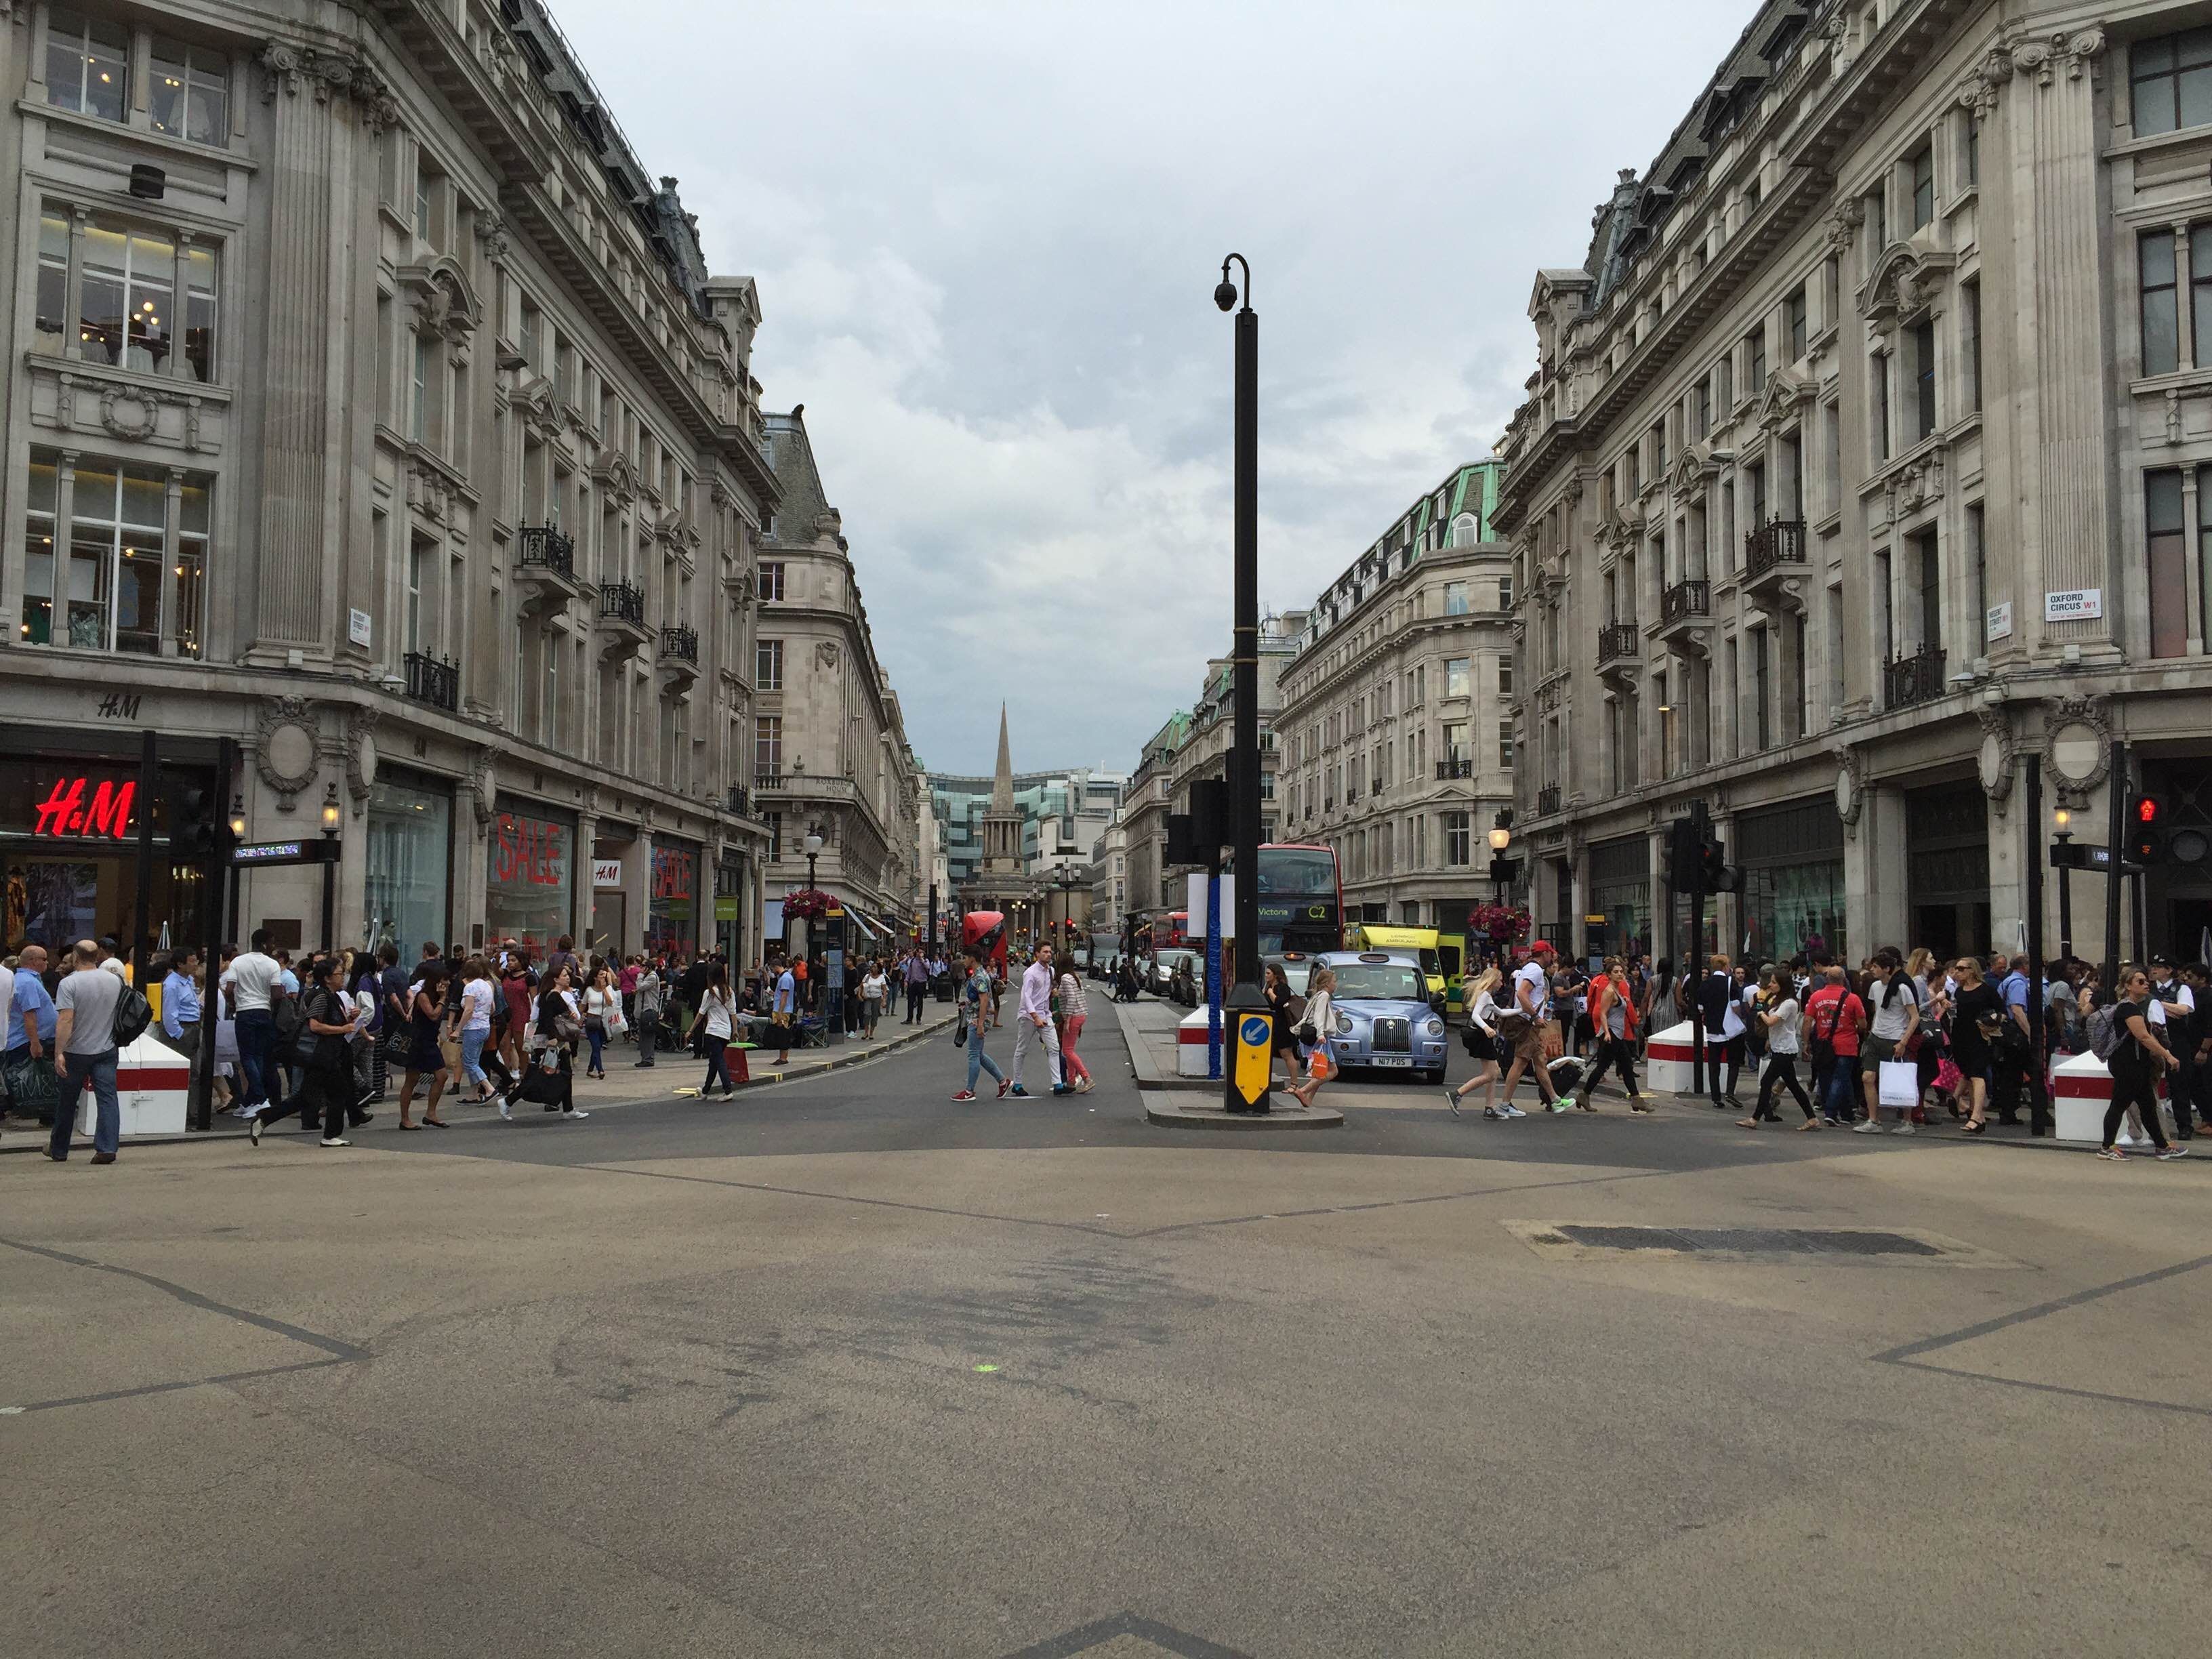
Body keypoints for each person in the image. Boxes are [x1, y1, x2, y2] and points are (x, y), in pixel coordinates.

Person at [249, 957, 359, 1147]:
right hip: (322, 1055)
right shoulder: (322, 997)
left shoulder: (332, 996)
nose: (343, 977)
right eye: (339, 974)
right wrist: (343, 1029)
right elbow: (315, 1026)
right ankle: (331, 1135)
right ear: (327, 978)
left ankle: (264, 1118)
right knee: (338, 1093)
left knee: (306, 1097)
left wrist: (348, 1017)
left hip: (325, 1055)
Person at [47, 941, 125, 1164]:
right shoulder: (114, 981)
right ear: (97, 955)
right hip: (107, 1048)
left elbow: (66, 1019)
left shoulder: (69, 983)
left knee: (67, 1101)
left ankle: (59, 1149)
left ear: (75, 956)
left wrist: (58, 1052)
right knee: (108, 1098)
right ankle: (107, 1147)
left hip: (76, 1050)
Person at [2101, 966, 2189, 1161]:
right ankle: (2107, 1147)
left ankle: (2162, 1146)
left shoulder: (2135, 1007)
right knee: (2119, 1104)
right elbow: (2143, 1036)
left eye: (2145, 980)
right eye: (2139, 981)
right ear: (2128, 986)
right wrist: (2168, 1055)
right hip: (2127, 1065)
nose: (2146, 984)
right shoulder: (2128, 1008)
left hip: (2138, 1064)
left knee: (2148, 1106)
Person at [1496, 942, 1571, 1113]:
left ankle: (1555, 1100)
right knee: (1520, 1063)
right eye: (1550, 953)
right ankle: (1504, 1105)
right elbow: (1522, 993)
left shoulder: (1530, 968)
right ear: (1544, 953)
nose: (1552, 957)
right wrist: (1536, 1016)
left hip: (1529, 1023)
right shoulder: (1535, 970)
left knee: (1541, 1061)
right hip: (1528, 1023)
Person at [1856, 950, 1921, 1134]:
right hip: (1877, 1036)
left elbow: (1914, 1017)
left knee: (1901, 1079)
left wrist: (1903, 1042)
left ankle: (1907, 1121)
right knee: (1868, 1077)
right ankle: (1873, 1120)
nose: (1872, 969)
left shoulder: (1902, 988)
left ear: (1887, 969)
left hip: (1896, 1037)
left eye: (1876, 967)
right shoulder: (1875, 987)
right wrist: (1873, 1031)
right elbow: (1878, 1010)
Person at [1742, 972, 1816, 1128]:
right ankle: (1812, 1118)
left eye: (1774, 982)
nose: (1770, 985)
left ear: (1783, 985)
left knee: (1766, 1081)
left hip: (1785, 1049)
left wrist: (1761, 1013)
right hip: (1779, 1046)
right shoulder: (1777, 1001)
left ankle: (1754, 1119)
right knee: (1793, 1085)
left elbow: (1772, 1021)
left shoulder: (1790, 1003)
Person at [224, 929, 284, 1116]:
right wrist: (269, 1006)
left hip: (244, 1012)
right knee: (257, 1056)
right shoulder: (272, 964)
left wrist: (234, 1004)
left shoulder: (238, 962)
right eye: (272, 943)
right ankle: (255, 1099)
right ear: (265, 944)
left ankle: (257, 1098)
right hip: (263, 1011)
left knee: (247, 1056)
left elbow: (229, 989)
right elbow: (277, 994)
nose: (274, 947)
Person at [1582, 956, 1650, 1111]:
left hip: (1616, 1033)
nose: (1620, 974)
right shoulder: (1609, 991)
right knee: (1605, 1067)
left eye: (1621, 971)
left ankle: (1636, 1099)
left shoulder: (1619, 989)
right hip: (1611, 1033)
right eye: (1616, 972)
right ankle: (1585, 1095)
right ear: (1609, 975)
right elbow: (1603, 1014)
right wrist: (1606, 1032)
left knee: (1623, 1066)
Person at [1946, 955, 2003, 1134]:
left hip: (1981, 1035)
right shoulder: (1959, 991)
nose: (1957, 972)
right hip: (1961, 1036)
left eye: (1962, 969)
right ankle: (1977, 1115)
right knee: (1968, 1074)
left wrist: (1991, 1022)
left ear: (1973, 971)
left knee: (1977, 1075)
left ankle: (1976, 1116)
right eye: (1956, 968)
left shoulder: (1986, 990)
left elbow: (2001, 1011)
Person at [1445, 964, 1510, 1118]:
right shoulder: (1485, 996)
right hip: (1483, 1037)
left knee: (1493, 1073)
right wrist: (1487, 1028)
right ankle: (1457, 1093)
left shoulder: (1486, 995)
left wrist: (1524, 1011)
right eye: (1500, 980)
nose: (1502, 983)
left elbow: (1501, 1012)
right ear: (1493, 981)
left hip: (1482, 1037)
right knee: (1491, 1074)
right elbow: (1475, 1015)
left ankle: (1489, 1108)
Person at [1805, 964, 1865, 1125]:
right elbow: (1863, 1024)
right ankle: (1831, 1112)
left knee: (1828, 1078)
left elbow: (1807, 1021)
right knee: (1841, 1077)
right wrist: (1855, 1028)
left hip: (1824, 1044)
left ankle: (1846, 1113)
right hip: (1847, 1044)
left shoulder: (1816, 997)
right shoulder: (1852, 998)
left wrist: (1806, 1043)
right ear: (1844, 980)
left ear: (1827, 979)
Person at [396, 961, 450, 1130]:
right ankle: (405, 1119)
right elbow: (433, 1016)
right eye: (444, 980)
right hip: (419, 1043)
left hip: (430, 1041)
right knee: (412, 1079)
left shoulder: (434, 995)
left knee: (441, 1076)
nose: (447, 983)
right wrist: (442, 999)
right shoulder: (424, 996)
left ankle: (431, 1113)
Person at [1010, 941, 1069, 1097]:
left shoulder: (1051, 971)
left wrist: (1054, 993)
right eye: (1045, 952)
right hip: (1028, 1016)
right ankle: (1017, 1084)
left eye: (1050, 952)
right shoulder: (1030, 973)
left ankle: (1058, 1084)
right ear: (1036, 954)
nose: (1048, 954)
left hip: (1045, 1014)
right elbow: (1026, 997)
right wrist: (1034, 1016)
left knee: (1054, 1047)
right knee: (1022, 1050)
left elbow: (1047, 992)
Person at [951, 946, 1008, 1101]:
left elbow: (984, 1001)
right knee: (979, 1054)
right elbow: (978, 998)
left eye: (965, 958)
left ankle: (969, 1091)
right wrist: (967, 1003)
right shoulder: (978, 974)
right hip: (974, 1015)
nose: (963, 961)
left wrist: (981, 1024)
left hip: (977, 1019)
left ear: (972, 959)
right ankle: (1003, 1082)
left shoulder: (980, 977)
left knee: (973, 1054)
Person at [1285, 964, 1338, 1109]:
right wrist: (1321, 1034)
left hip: (1313, 1037)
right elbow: (1319, 1017)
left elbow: (1315, 1015)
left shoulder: (1317, 995)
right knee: (1332, 1071)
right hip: (1319, 1039)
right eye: (1335, 981)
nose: (1336, 984)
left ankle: (1308, 1100)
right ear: (1327, 983)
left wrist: (1336, 1016)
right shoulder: (1324, 996)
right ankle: (1303, 1091)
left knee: (1319, 1072)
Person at [449, 956, 497, 1103]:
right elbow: (492, 1008)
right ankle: (473, 1094)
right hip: (485, 1026)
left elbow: (468, 1009)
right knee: (475, 1060)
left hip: (473, 1028)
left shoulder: (470, 987)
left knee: (469, 1062)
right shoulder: (487, 985)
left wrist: (458, 1030)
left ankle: (489, 1088)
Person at [690, 962, 739, 1099]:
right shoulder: (729, 991)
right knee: (714, 1062)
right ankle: (705, 1091)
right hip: (726, 1031)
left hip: (713, 1030)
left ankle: (728, 1090)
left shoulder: (709, 992)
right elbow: (733, 1013)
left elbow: (701, 1013)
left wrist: (691, 1030)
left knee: (719, 1061)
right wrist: (735, 1030)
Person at [1698, 954, 1742, 1107]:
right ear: (1725, 967)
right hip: (1729, 1029)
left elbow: (1701, 1008)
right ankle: (1730, 1091)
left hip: (1712, 1029)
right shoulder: (1730, 982)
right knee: (1733, 1062)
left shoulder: (1705, 984)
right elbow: (1736, 1005)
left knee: (1714, 1064)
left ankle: (1716, 1097)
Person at [160, 949, 203, 1078]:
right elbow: (169, 1014)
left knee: (194, 1069)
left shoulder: (189, 979)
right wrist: (180, 1034)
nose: (196, 964)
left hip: (194, 1027)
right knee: (184, 1071)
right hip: (184, 1027)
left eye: (197, 961)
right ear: (180, 964)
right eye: (192, 961)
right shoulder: (172, 985)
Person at [1054, 949, 1092, 1093]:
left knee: (1068, 1050)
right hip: (1081, 1014)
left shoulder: (1065, 978)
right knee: (1068, 1049)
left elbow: (1071, 998)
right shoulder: (1074, 976)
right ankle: (1071, 1081)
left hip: (1074, 1016)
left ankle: (1086, 1078)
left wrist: (1068, 1019)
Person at [1265, 962, 1303, 1088]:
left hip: (1283, 1025)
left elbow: (1280, 1003)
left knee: (1287, 1054)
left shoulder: (1282, 988)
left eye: (1268, 973)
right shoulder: (1268, 986)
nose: (1266, 976)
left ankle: (1294, 1083)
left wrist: (1271, 993)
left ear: (1276, 975)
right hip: (1271, 1023)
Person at [582, 964, 619, 1079]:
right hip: (592, 1020)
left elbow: (610, 1002)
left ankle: (590, 1069)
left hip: (603, 1022)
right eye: (601, 975)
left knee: (597, 1047)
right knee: (596, 1046)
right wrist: (580, 1017)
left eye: (604, 975)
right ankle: (600, 1070)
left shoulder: (607, 989)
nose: (604, 977)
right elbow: (583, 1005)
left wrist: (603, 989)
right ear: (595, 977)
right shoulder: (589, 990)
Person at [632, 960, 663, 1067]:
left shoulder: (652, 977)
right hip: (643, 1010)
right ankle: (645, 1057)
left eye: (643, 966)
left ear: (648, 967)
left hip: (649, 1010)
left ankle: (648, 1058)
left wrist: (640, 975)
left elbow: (640, 986)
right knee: (643, 1036)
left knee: (648, 1037)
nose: (640, 968)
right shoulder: (647, 977)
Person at [860, 958, 888, 1041]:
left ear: (879, 969)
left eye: (875, 967)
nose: (873, 969)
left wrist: (884, 1001)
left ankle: (871, 1033)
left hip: (877, 998)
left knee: (875, 1016)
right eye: (872, 967)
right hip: (868, 998)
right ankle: (866, 1032)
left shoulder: (882, 977)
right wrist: (860, 995)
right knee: (867, 1013)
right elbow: (861, 985)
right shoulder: (867, 976)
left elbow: (884, 989)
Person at [903, 949, 929, 1024]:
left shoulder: (926, 960)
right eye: (918, 952)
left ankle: (918, 1018)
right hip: (913, 983)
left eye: (921, 952)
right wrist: (906, 980)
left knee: (920, 1001)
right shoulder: (913, 961)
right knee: (910, 1001)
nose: (920, 953)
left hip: (921, 983)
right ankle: (909, 1019)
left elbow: (927, 967)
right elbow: (909, 971)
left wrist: (922, 959)